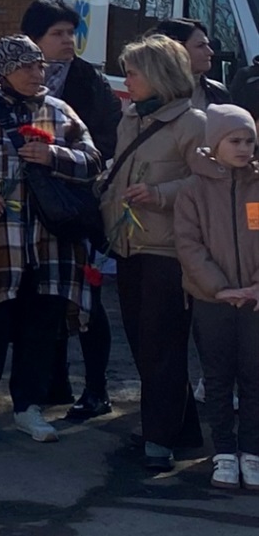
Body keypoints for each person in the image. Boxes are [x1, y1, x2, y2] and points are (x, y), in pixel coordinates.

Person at [0, 34, 102, 448]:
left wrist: (55, 158)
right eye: (26, 66)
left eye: (39, 65)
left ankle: (29, 407)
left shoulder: (59, 112)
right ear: (5, 70)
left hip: (49, 245)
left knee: (40, 329)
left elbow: (94, 160)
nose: (36, 73)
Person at [98, 34, 206, 471]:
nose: (127, 80)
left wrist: (160, 194)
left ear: (159, 75)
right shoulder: (131, 117)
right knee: (144, 344)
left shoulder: (193, 123)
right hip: (128, 246)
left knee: (162, 346)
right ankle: (181, 431)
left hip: (168, 250)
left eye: (134, 72)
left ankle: (157, 442)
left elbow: (212, 183)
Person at [21, 0, 120, 422]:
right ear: (34, 40)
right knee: (43, 299)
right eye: (57, 34)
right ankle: (52, 382)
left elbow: (106, 140)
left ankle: (96, 389)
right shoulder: (12, 80)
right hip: (31, 210)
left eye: (70, 33)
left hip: (79, 204)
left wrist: (61, 157)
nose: (67, 42)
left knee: (86, 302)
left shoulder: (87, 80)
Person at [173, 104, 259, 492]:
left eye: (249, 141)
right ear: (214, 143)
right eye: (234, 140)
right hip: (213, 300)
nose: (243, 148)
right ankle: (224, 451)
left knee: (255, 378)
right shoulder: (192, 190)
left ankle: (252, 452)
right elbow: (189, 245)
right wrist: (219, 288)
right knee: (219, 377)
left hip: (256, 301)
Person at [153, 17, 231, 107]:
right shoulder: (144, 93)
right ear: (174, 50)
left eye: (208, 45)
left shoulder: (217, 92)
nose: (210, 52)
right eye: (200, 46)